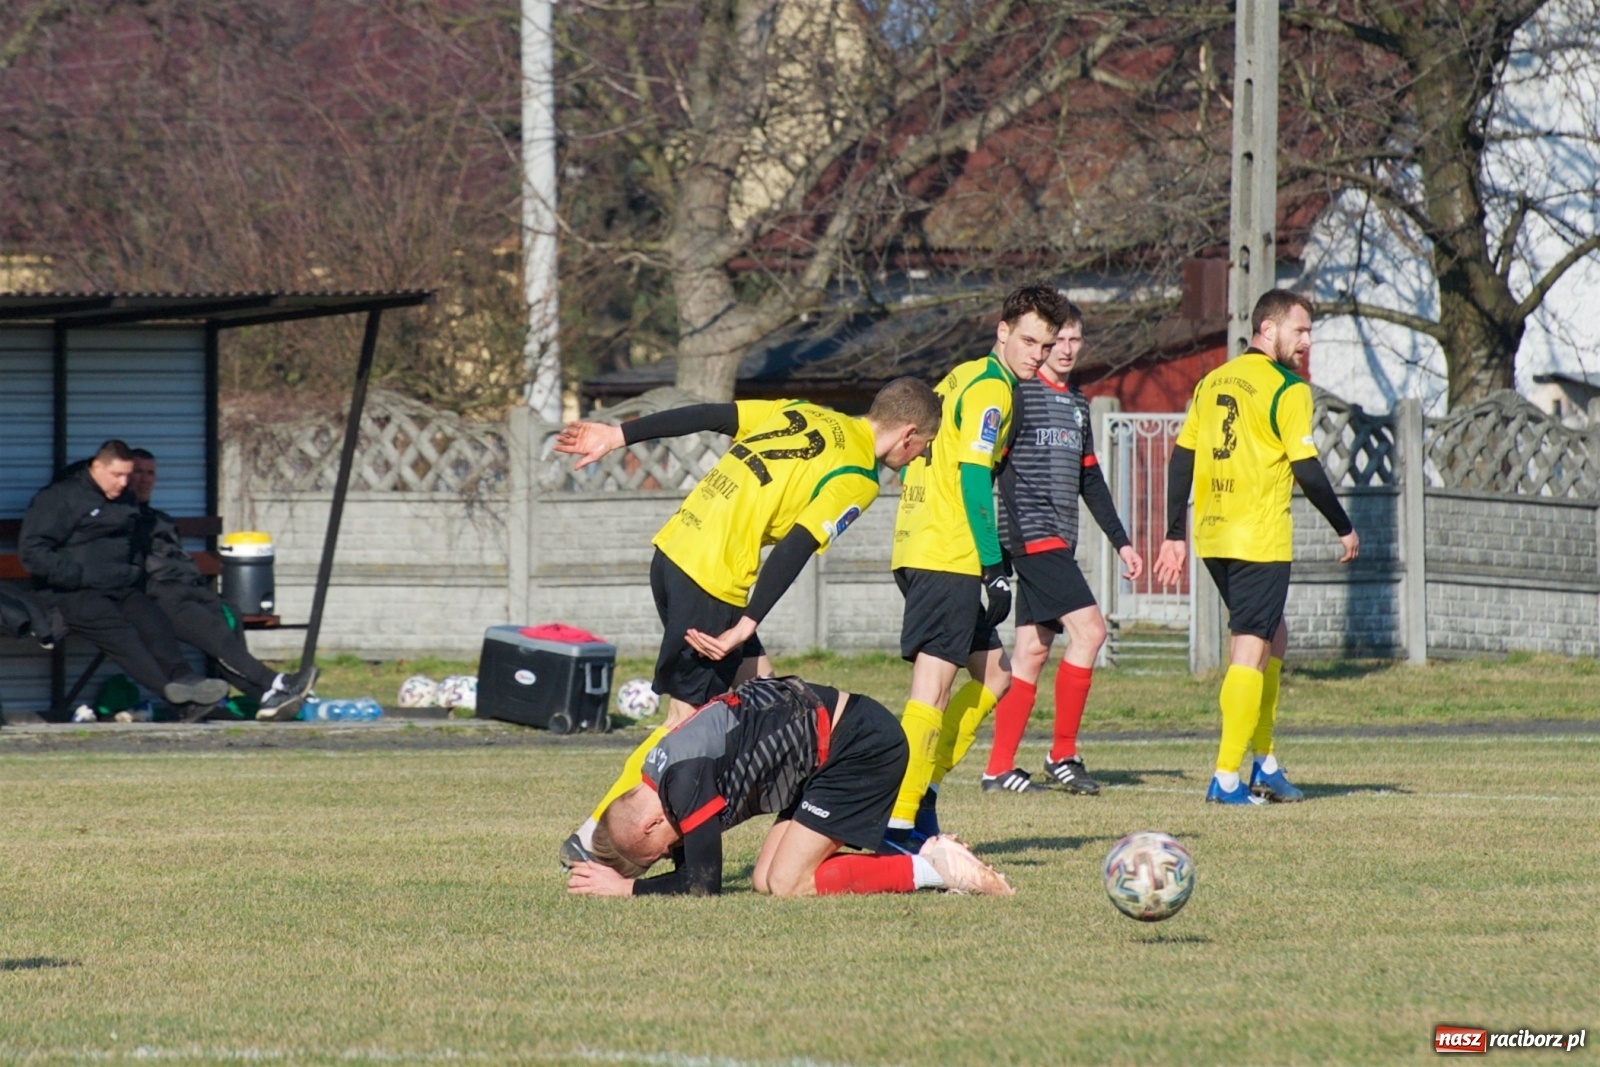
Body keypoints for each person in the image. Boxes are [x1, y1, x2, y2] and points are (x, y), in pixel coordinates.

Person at [552, 379, 943, 863]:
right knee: (684, 720)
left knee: (766, 695)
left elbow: (709, 414)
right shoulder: (859, 475)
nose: (921, 456)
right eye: (925, 446)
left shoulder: (802, 410)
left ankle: (797, 822)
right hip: (712, 578)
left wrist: (619, 435)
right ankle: (594, 838)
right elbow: (797, 546)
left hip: (674, 549)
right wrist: (748, 622)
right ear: (908, 435)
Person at [1152, 290, 1360, 804]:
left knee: (1273, 635)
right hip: (1258, 537)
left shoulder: (1211, 382)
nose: (1307, 341)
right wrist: (1343, 526)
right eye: (1300, 330)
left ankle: (1264, 762)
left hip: (1214, 534)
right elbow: (1306, 467)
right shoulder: (1288, 388)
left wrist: (1175, 533)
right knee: (1250, 647)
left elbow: (1182, 460)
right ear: (1268, 329)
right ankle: (1226, 777)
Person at [884, 284, 1071, 846]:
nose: (1038, 355)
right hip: (948, 555)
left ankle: (924, 792)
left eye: (1046, 345)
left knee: (995, 675)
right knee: (932, 690)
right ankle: (896, 820)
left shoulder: (960, 376)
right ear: (1003, 331)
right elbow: (971, 477)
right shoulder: (993, 389)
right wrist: (994, 566)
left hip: (923, 544)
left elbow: (916, 460)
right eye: (1029, 341)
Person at [567, 675, 1013, 897]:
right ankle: (921, 856)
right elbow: (691, 862)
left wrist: (629, 889)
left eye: (658, 853)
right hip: (822, 756)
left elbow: (703, 884)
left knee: (787, 883)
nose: (670, 853)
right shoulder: (660, 768)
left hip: (860, 746)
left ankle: (935, 868)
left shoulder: (684, 783)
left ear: (649, 824)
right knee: (763, 880)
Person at [982, 305, 1144, 795]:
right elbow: (989, 467)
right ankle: (1063, 754)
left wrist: (1122, 542)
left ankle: (997, 769)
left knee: (1031, 651)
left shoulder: (1077, 401)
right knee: (1090, 632)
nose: (1067, 350)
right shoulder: (1018, 394)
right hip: (1032, 538)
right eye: (1058, 342)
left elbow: (1090, 479)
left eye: (1075, 340)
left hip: (1059, 541)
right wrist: (991, 541)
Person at [19, 439, 231, 721]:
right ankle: (176, 697)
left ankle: (186, 679)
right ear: (97, 466)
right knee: (120, 634)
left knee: (152, 619)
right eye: (116, 475)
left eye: (127, 476)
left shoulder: (124, 499)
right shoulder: (60, 498)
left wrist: (132, 572)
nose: (123, 483)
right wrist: (78, 575)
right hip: (70, 592)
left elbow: (135, 543)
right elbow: (33, 552)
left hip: (118, 584)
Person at [128, 449, 317, 721]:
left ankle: (266, 696)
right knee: (214, 630)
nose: (145, 479)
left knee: (229, 612)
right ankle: (277, 683)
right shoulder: (123, 520)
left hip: (189, 589)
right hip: (160, 596)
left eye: (150, 473)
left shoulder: (161, 520)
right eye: (138, 472)